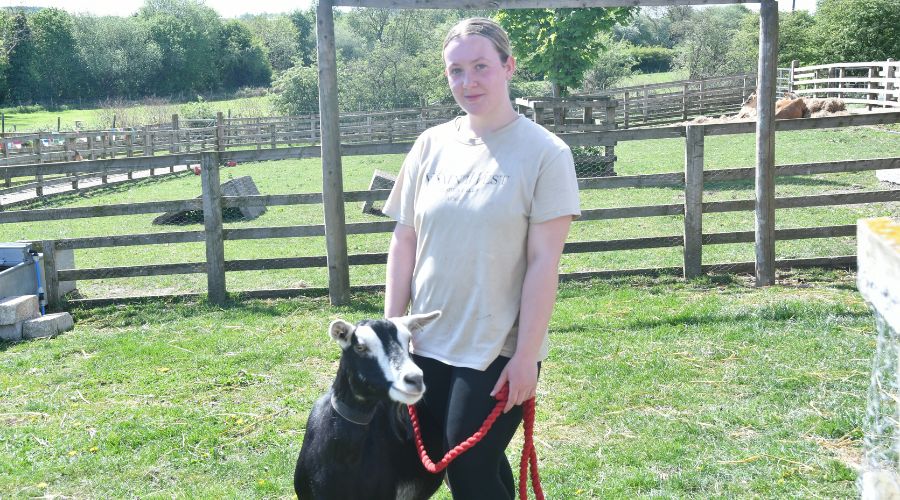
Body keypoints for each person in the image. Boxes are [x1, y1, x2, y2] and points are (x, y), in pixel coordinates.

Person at [382, 17, 580, 499]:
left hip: (494, 348)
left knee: (467, 469)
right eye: (455, 70)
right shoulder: (430, 145)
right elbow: (404, 240)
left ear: (509, 67)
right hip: (424, 343)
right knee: (463, 464)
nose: (468, 82)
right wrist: (392, 332)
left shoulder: (545, 153)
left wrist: (527, 356)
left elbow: (542, 264)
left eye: (480, 67)